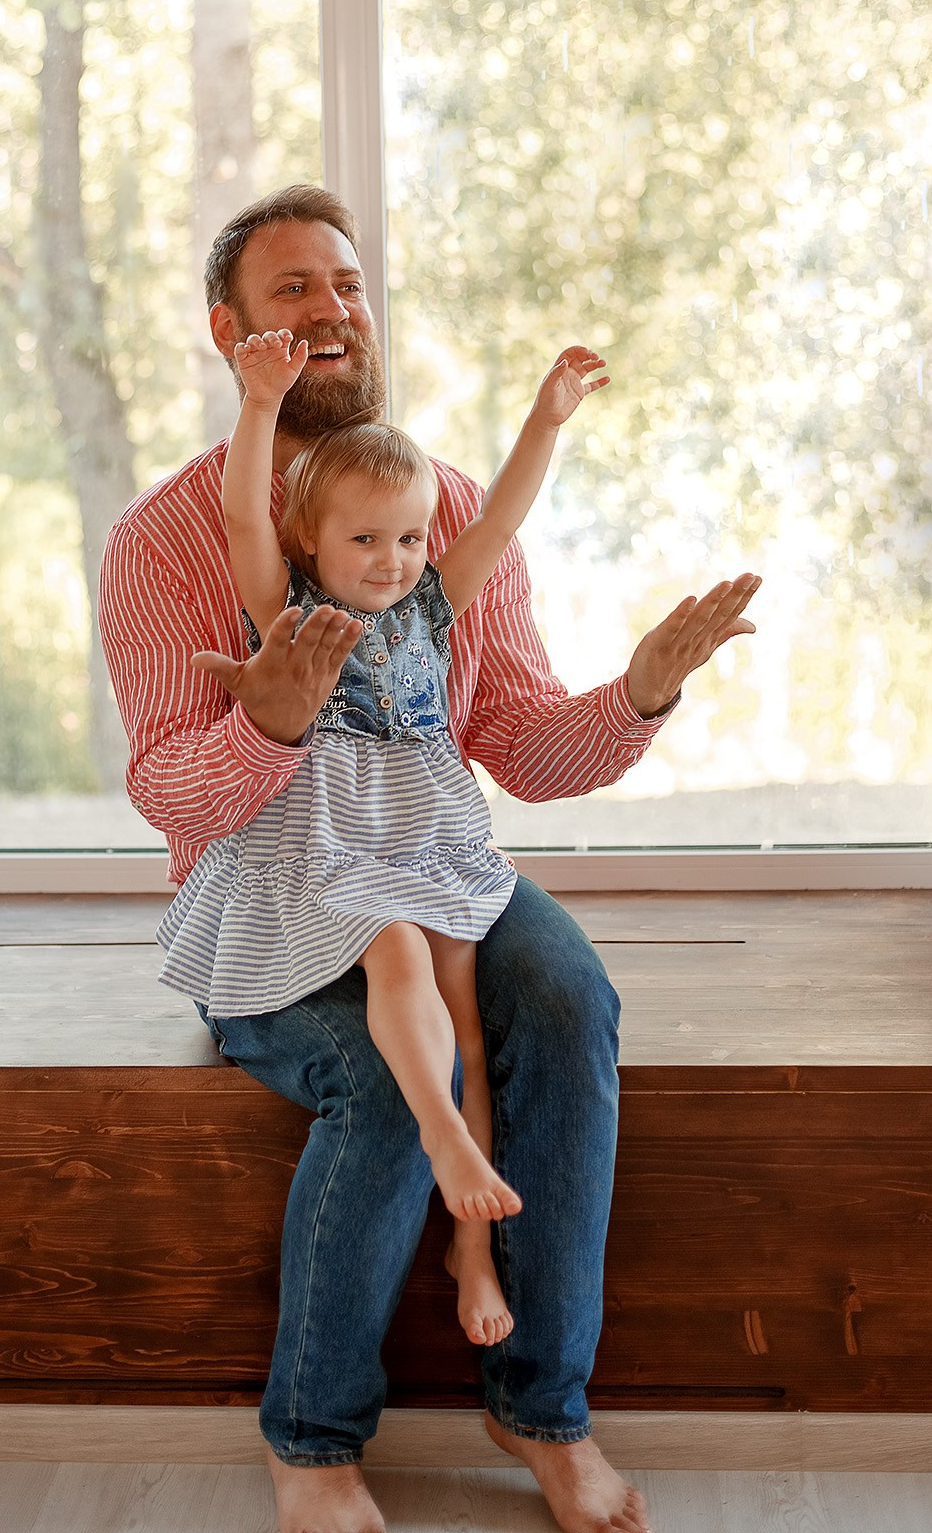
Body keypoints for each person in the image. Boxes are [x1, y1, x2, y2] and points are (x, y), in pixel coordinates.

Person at [99, 184, 760, 1533]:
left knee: (568, 1000)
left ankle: (542, 1413)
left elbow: (521, 742)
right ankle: (314, 1443)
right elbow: (171, 787)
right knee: (399, 1083)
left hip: (429, 858)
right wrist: (270, 725)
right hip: (272, 893)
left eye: (347, 284)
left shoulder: (441, 515)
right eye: (294, 291)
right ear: (229, 332)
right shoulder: (166, 540)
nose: (333, 311)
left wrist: (636, 694)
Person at [156, 324, 610, 1349]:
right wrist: (260, 401)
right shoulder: (291, 601)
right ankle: (445, 1139)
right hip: (330, 834)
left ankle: (472, 1250)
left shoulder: (434, 607)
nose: (391, 560)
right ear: (311, 541)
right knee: (396, 952)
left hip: (426, 826)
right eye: (364, 540)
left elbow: (496, 518)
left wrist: (544, 420)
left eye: (406, 539)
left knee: (469, 1026)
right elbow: (238, 516)